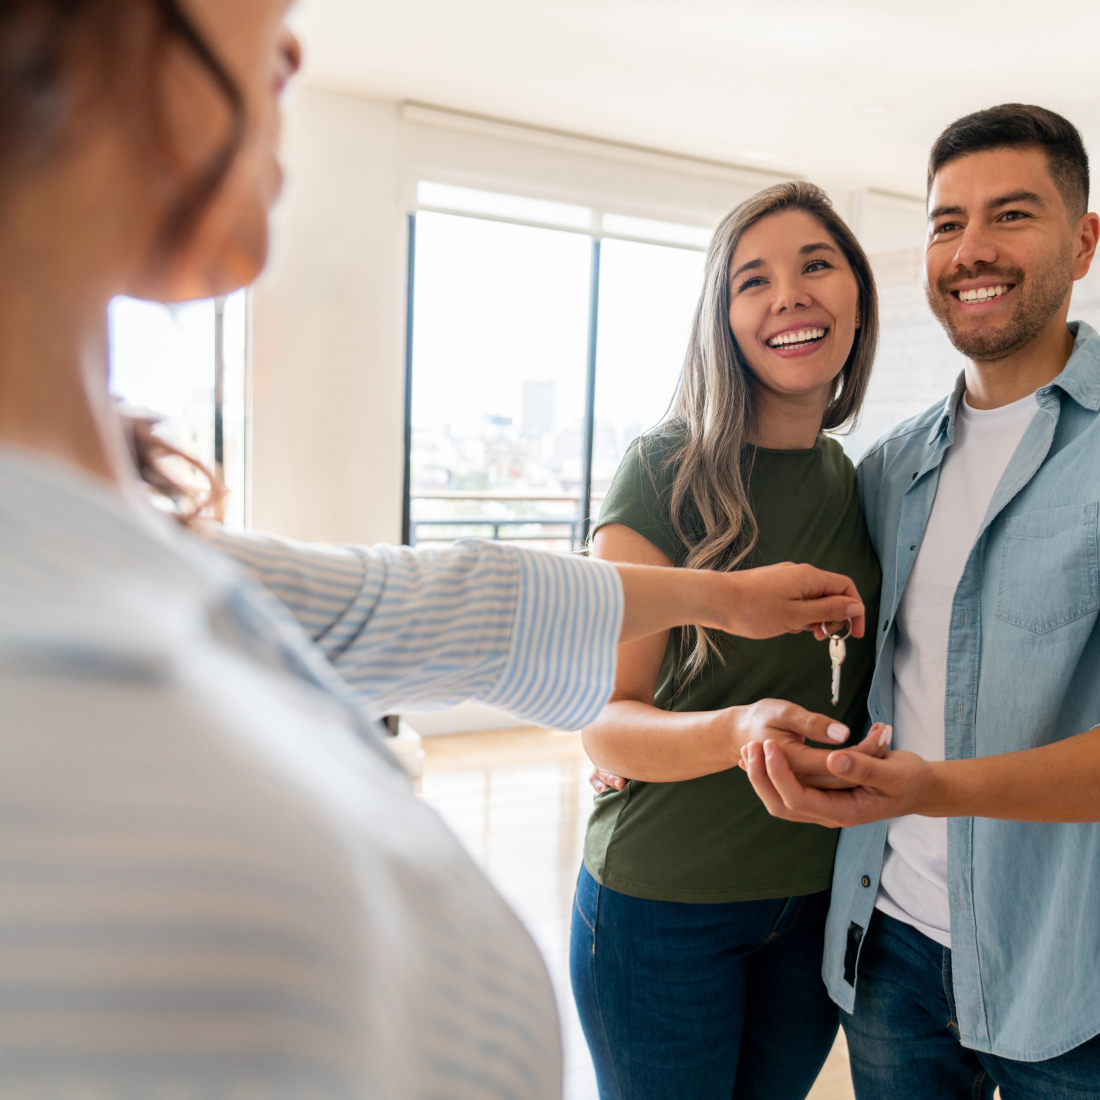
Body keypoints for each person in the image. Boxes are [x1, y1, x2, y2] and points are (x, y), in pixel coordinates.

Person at [0, 1, 870, 1096]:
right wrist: (715, 701)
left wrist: (722, 599)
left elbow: (429, 601)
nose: (294, 44)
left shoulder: (142, 560)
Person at [743, 104, 1100, 1099]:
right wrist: (634, 742)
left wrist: (932, 786)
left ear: (1081, 241)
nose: (969, 249)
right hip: (889, 947)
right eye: (945, 223)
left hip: (1068, 974)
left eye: (1010, 214)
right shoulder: (888, 467)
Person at [569, 181, 888, 1100]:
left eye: (816, 265)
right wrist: (737, 730)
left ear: (858, 300)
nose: (789, 294)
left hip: (819, 904)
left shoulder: (868, 486)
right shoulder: (661, 471)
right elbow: (602, 725)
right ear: (725, 318)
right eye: (754, 280)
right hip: (662, 902)